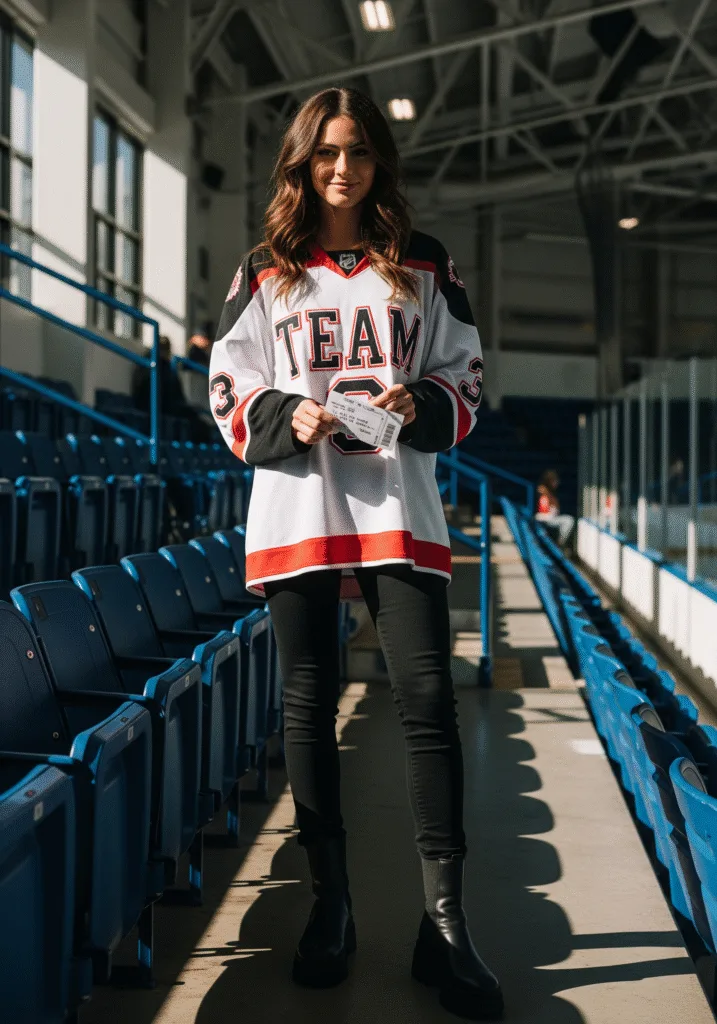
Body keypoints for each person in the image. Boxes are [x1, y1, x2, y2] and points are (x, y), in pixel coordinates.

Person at [209, 88, 503, 1020]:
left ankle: (445, 924)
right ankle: (328, 904)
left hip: (397, 505)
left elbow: (466, 368)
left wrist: (420, 400)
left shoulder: (422, 263)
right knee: (307, 701)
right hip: (299, 503)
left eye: (361, 153)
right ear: (301, 161)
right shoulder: (265, 268)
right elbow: (227, 376)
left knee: (425, 699)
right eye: (328, 153)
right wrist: (277, 413)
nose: (344, 169)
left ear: (380, 162)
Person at [536, 469, 574, 546]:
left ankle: (558, 543)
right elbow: (543, 511)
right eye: (555, 481)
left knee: (568, 520)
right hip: (546, 519)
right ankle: (559, 544)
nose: (557, 483)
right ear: (550, 481)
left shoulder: (550, 492)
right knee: (568, 520)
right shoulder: (543, 492)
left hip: (551, 518)